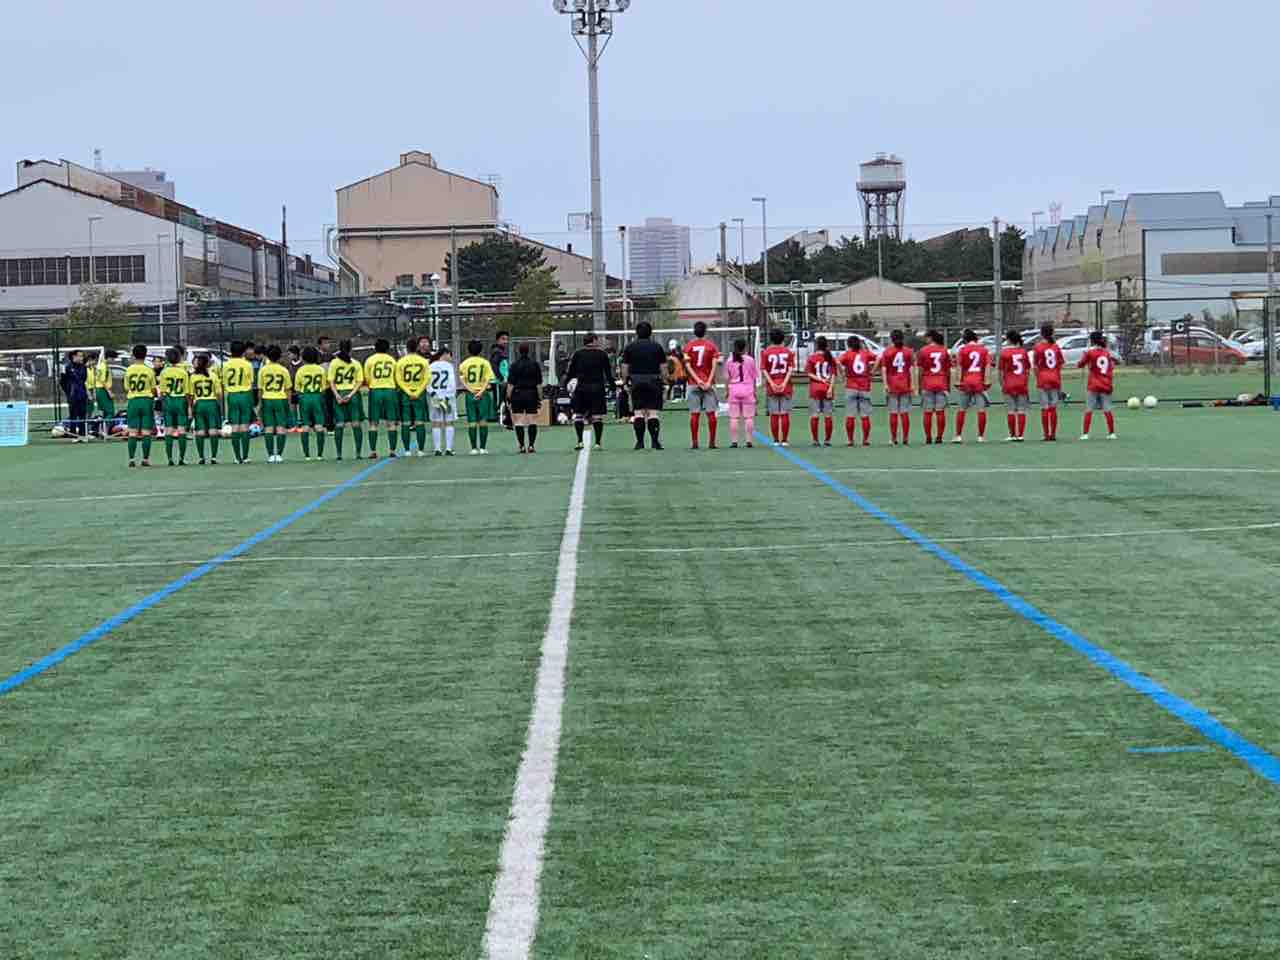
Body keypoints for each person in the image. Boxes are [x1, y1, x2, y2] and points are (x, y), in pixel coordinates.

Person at [620, 321, 667, 450]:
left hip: (636, 381)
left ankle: (639, 442)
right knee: (653, 413)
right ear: (650, 333)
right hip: (653, 380)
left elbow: (624, 367)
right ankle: (655, 442)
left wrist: (625, 382)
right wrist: (665, 381)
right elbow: (663, 367)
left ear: (637, 333)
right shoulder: (657, 347)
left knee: (638, 412)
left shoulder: (630, 347)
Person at [565, 333, 613, 451]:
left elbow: (571, 372)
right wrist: (612, 385)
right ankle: (597, 443)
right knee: (597, 416)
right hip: (597, 388)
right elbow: (608, 373)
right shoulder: (602, 354)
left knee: (579, 415)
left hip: (581, 388)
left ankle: (580, 441)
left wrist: (565, 384)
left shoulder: (577, 354)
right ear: (594, 340)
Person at [682, 322, 722, 449]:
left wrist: (697, 380)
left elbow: (687, 366)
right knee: (711, 413)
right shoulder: (711, 346)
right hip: (708, 383)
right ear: (705, 331)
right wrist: (708, 381)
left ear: (694, 331)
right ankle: (712, 442)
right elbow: (716, 364)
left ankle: (695, 441)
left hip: (693, 383)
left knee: (695, 414)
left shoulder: (688, 346)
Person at [952, 329, 992, 444]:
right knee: (981, 410)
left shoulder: (963, 350)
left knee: (962, 409)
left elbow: (959, 367)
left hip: (966, 381)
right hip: (979, 381)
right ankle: (980, 436)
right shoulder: (983, 350)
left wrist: (958, 381)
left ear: (965, 339)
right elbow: (988, 366)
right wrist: (987, 380)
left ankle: (958, 435)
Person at [328, 339, 365, 461]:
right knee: (356, 423)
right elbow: (359, 381)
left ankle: (339, 454)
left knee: (339, 424)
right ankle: (358, 453)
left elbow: (331, 381)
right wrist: (351, 395)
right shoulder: (356, 363)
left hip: (339, 393)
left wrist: (337, 395)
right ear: (351, 349)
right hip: (352, 394)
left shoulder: (333, 363)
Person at [459, 340, 498, 454]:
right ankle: (482, 448)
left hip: (470, 394)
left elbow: (462, 379)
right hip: (483, 394)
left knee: (472, 421)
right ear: (480, 350)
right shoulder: (485, 363)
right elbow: (488, 379)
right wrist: (481, 391)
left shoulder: (464, 363)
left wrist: (471, 390)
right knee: (483, 421)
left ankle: (473, 448)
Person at [363, 338, 400, 459]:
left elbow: (367, 378)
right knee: (391, 423)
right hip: (390, 390)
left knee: (373, 423)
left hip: (375, 390)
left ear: (375, 348)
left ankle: (373, 451)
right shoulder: (392, 360)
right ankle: (392, 450)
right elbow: (396, 376)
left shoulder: (370, 360)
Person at [395, 336, 431, 457]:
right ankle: (421, 450)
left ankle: (407, 451)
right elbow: (427, 378)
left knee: (405, 422)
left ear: (407, 348)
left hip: (406, 394)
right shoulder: (423, 361)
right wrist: (418, 391)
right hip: (419, 394)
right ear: (417, 347)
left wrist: (408, 391)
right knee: (420, 421)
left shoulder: (401, 361)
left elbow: (399, 379)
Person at [221, 341, 257, 464]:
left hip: (232, 395)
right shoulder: (247, 364)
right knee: (245, 426)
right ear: (243, 352)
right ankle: (245, 456)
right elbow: (251, 383)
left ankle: (237, 457)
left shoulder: (225, 365)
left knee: (235, 426)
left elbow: (224, 383)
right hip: (245, 395)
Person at [837, 335, 876, 447]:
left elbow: (837, 362)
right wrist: (872, 371)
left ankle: (850, 440)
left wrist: (843, 374)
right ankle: (865, 440)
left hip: (851, 386)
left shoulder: (847, 354)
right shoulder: (866, 353)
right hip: (864, 386)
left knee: (850, 415)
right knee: (865, 416)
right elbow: (879, 358)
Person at [123, 343, 157, 468]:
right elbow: (153, 389)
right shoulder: (149, 370)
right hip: (146, 400)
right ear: (145, 354)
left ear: (133, 355)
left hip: (133, 400)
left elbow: (127, 387)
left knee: (132, 431)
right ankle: (145, 459)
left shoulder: (129, 370)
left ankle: (131, 459)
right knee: (146, 432)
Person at [1078, 331, 1117, 440]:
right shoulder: (1107, 353)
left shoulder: (1090, 353)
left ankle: (1085, 434)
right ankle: (1111, 433)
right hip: (1106, 384)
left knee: (1089, 409)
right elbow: (1113, 365)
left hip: (1094, 384)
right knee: (1107, 409)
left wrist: (1084, 357)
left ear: (1092, 340)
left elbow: (1080, 364)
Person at [258, 345, 294, 463]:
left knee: (268, 427)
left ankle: (270, 455)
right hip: (280, 399)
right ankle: (278, 454)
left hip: (267, 399)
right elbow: (288, 389)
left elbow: (260, 389)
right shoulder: (284, 370)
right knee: (280, 427)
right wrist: (288, 404)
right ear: (279, 357)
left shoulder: (263, 370)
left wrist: (260, 404)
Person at [760, 328, 796, 445]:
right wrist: (784, 383)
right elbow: (790, 369)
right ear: (783, 338)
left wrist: (772, 383)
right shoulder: (788, 352)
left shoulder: (766, 352)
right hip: (786, 386)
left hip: (772, 386)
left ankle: (776, 440)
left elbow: (764, 370)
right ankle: (784, 440)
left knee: (774, 413)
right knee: (785, 413)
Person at [507, 343, 544, 454]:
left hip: (517, 394)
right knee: (532, 420)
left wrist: (509, 398)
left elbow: (510, 384)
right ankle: (531, 445)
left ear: (518, 351)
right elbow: (539, 384)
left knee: (518, 421)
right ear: (529, 351)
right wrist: (540, 398)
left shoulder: (514, 365)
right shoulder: (535, 365)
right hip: (531, 393)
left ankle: (522, 446)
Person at [1031, 323, 1066, 441]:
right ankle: (1053, 434)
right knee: (1053, 408)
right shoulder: (1056, 347)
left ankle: (1046, 434)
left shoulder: (1038, 347)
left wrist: (1038, 377)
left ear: (1041, 333)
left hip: (1043, 379)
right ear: (1052, 333)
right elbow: (1061, 364)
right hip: (1055, 378)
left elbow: (1035, 366)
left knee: (1044, 407)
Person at [917, 330, 952, 445]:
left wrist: (919, 385)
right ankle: (939, 437)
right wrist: (948, 385)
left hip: (928, 382)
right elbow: (948, 371)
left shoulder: (923, 351)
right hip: (941, 382)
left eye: (926, 338)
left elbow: (920, 371)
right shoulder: (944, 351)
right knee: (940, 412)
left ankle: (928, 437)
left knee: (928, 412)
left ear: (930, 338)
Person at [881, 330, 915, 445]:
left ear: (891, 339)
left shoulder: (887, 352)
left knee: (893, 412)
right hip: (905, 384)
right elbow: (911, 369)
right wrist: (912, 384)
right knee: (904, 412)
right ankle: (905, 438)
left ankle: (894, 438)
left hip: (892, 384)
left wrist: (885, 384)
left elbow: (884, 369)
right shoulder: (909, 351)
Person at [158, 347, 191, 466]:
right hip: (181, 400)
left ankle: (170, 459)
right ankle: (181, 458)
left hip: (169, 400)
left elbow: (161, 393)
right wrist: (189, 406)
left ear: (167, 359)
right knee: (182, 430)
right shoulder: (183, 372)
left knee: (168, 430)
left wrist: (163, 403)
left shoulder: (164, 372)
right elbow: (188, 392)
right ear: (179, 358)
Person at [295, 346, 330, 460]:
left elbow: (297, 388)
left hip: (305, 397)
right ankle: (320, 454)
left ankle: (307, 455)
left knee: (305, 425)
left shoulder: (300, 370)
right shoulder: (320, 369)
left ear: (303, 358)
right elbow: (325, 386)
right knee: (319, 425)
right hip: (317, 396)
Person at [189, 353, 223, 465]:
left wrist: (191, 406)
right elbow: (219, 393)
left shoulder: (193, 377)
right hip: (211, 402)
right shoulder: (213, 375)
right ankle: (213, 457)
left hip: (199, 403)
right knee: (213, 430)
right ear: (208, 363)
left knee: (200, 431)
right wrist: (218, 403)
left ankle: (201, 457)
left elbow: (191, 394)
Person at [999, 330, 1032, 442]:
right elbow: (1027, 370)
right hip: (1021, 383)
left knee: (1011, 410)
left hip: (1009, 383)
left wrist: (1002, 385)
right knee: (1022, 410)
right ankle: (1021, 435)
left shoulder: (1004, 353)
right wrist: (1025, 382)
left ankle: (1013, 435)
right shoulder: (1023, 352)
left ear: (1008, 340)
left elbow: (1001, 372)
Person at [724, 339, 757, 448]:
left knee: (734, 417)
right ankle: (749, 441)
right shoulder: (750, 360)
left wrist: (727, 391)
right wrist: (755, 391)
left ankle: (734, 441)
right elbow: (754, 377)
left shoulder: (729, 361)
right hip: (747, 389)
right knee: (749, 417)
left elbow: (727, 378)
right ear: (745, 348)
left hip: (734, 389)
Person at [804, 336, 837, 446]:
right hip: (827, 388)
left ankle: (815, 440)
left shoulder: (812, 358)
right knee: (828, 415)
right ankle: (827, 440)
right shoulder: (830, 357)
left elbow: (809, 373)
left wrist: (819, 379)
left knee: (815, 415)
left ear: (816, 345)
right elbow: (833, 375)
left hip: (815, 388)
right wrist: (830, 388)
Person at [427, 346, 458, 456]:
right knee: (449, 421)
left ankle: (437, 449)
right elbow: (452, 383)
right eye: (450, 355)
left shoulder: (431, 365)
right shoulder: (449, 366)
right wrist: (448, 396)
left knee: (436, 423)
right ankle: (448, 449)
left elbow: (428, 383)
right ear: (444, 354)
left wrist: (434, 394)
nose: (451, 357)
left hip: (435, 397)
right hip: (447, 397)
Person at [61, 350, 90, 440]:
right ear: (74, 357)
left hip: (82, 394)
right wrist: (69, 392)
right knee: (73, 414)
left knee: (83, 414)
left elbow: (84, 379)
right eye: (80, 356)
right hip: (73, 395)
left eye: (82, 356)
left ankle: (83, 434)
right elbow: (63, 382)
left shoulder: (83, 367)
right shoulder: (68, 367)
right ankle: (73, 435)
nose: (81, 358)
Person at [89, 349, 117, 438]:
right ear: (108, 358)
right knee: (111, 412)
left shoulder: (101, 365)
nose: (113, 361)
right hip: (102, 390)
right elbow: (102, 380)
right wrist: (109, 392)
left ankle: (104, 431)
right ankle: (103, 430)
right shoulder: (103, 366)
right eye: (113, 359)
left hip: (99, 390)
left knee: (106, 411)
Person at [490, 330, 511, 425]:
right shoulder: (497, 351)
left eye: (507, 339)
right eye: (503, 339)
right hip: (498, 382)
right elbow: (494, 365)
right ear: (497, 340)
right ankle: (498, 417)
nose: (505, 341)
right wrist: (501, 378)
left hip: (502, 381)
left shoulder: (500, 351)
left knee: (503, 399)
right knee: (499, 400)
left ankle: (501, 417)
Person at [286, 344, 303, 430]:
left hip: (300, 390)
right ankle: (295, 425)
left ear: (296, 354)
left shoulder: (302, 364)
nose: (288, 356)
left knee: (301, 408)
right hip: (291, 391)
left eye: (290, 354)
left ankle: (302, 425)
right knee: (293, 408)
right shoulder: (288, 365)